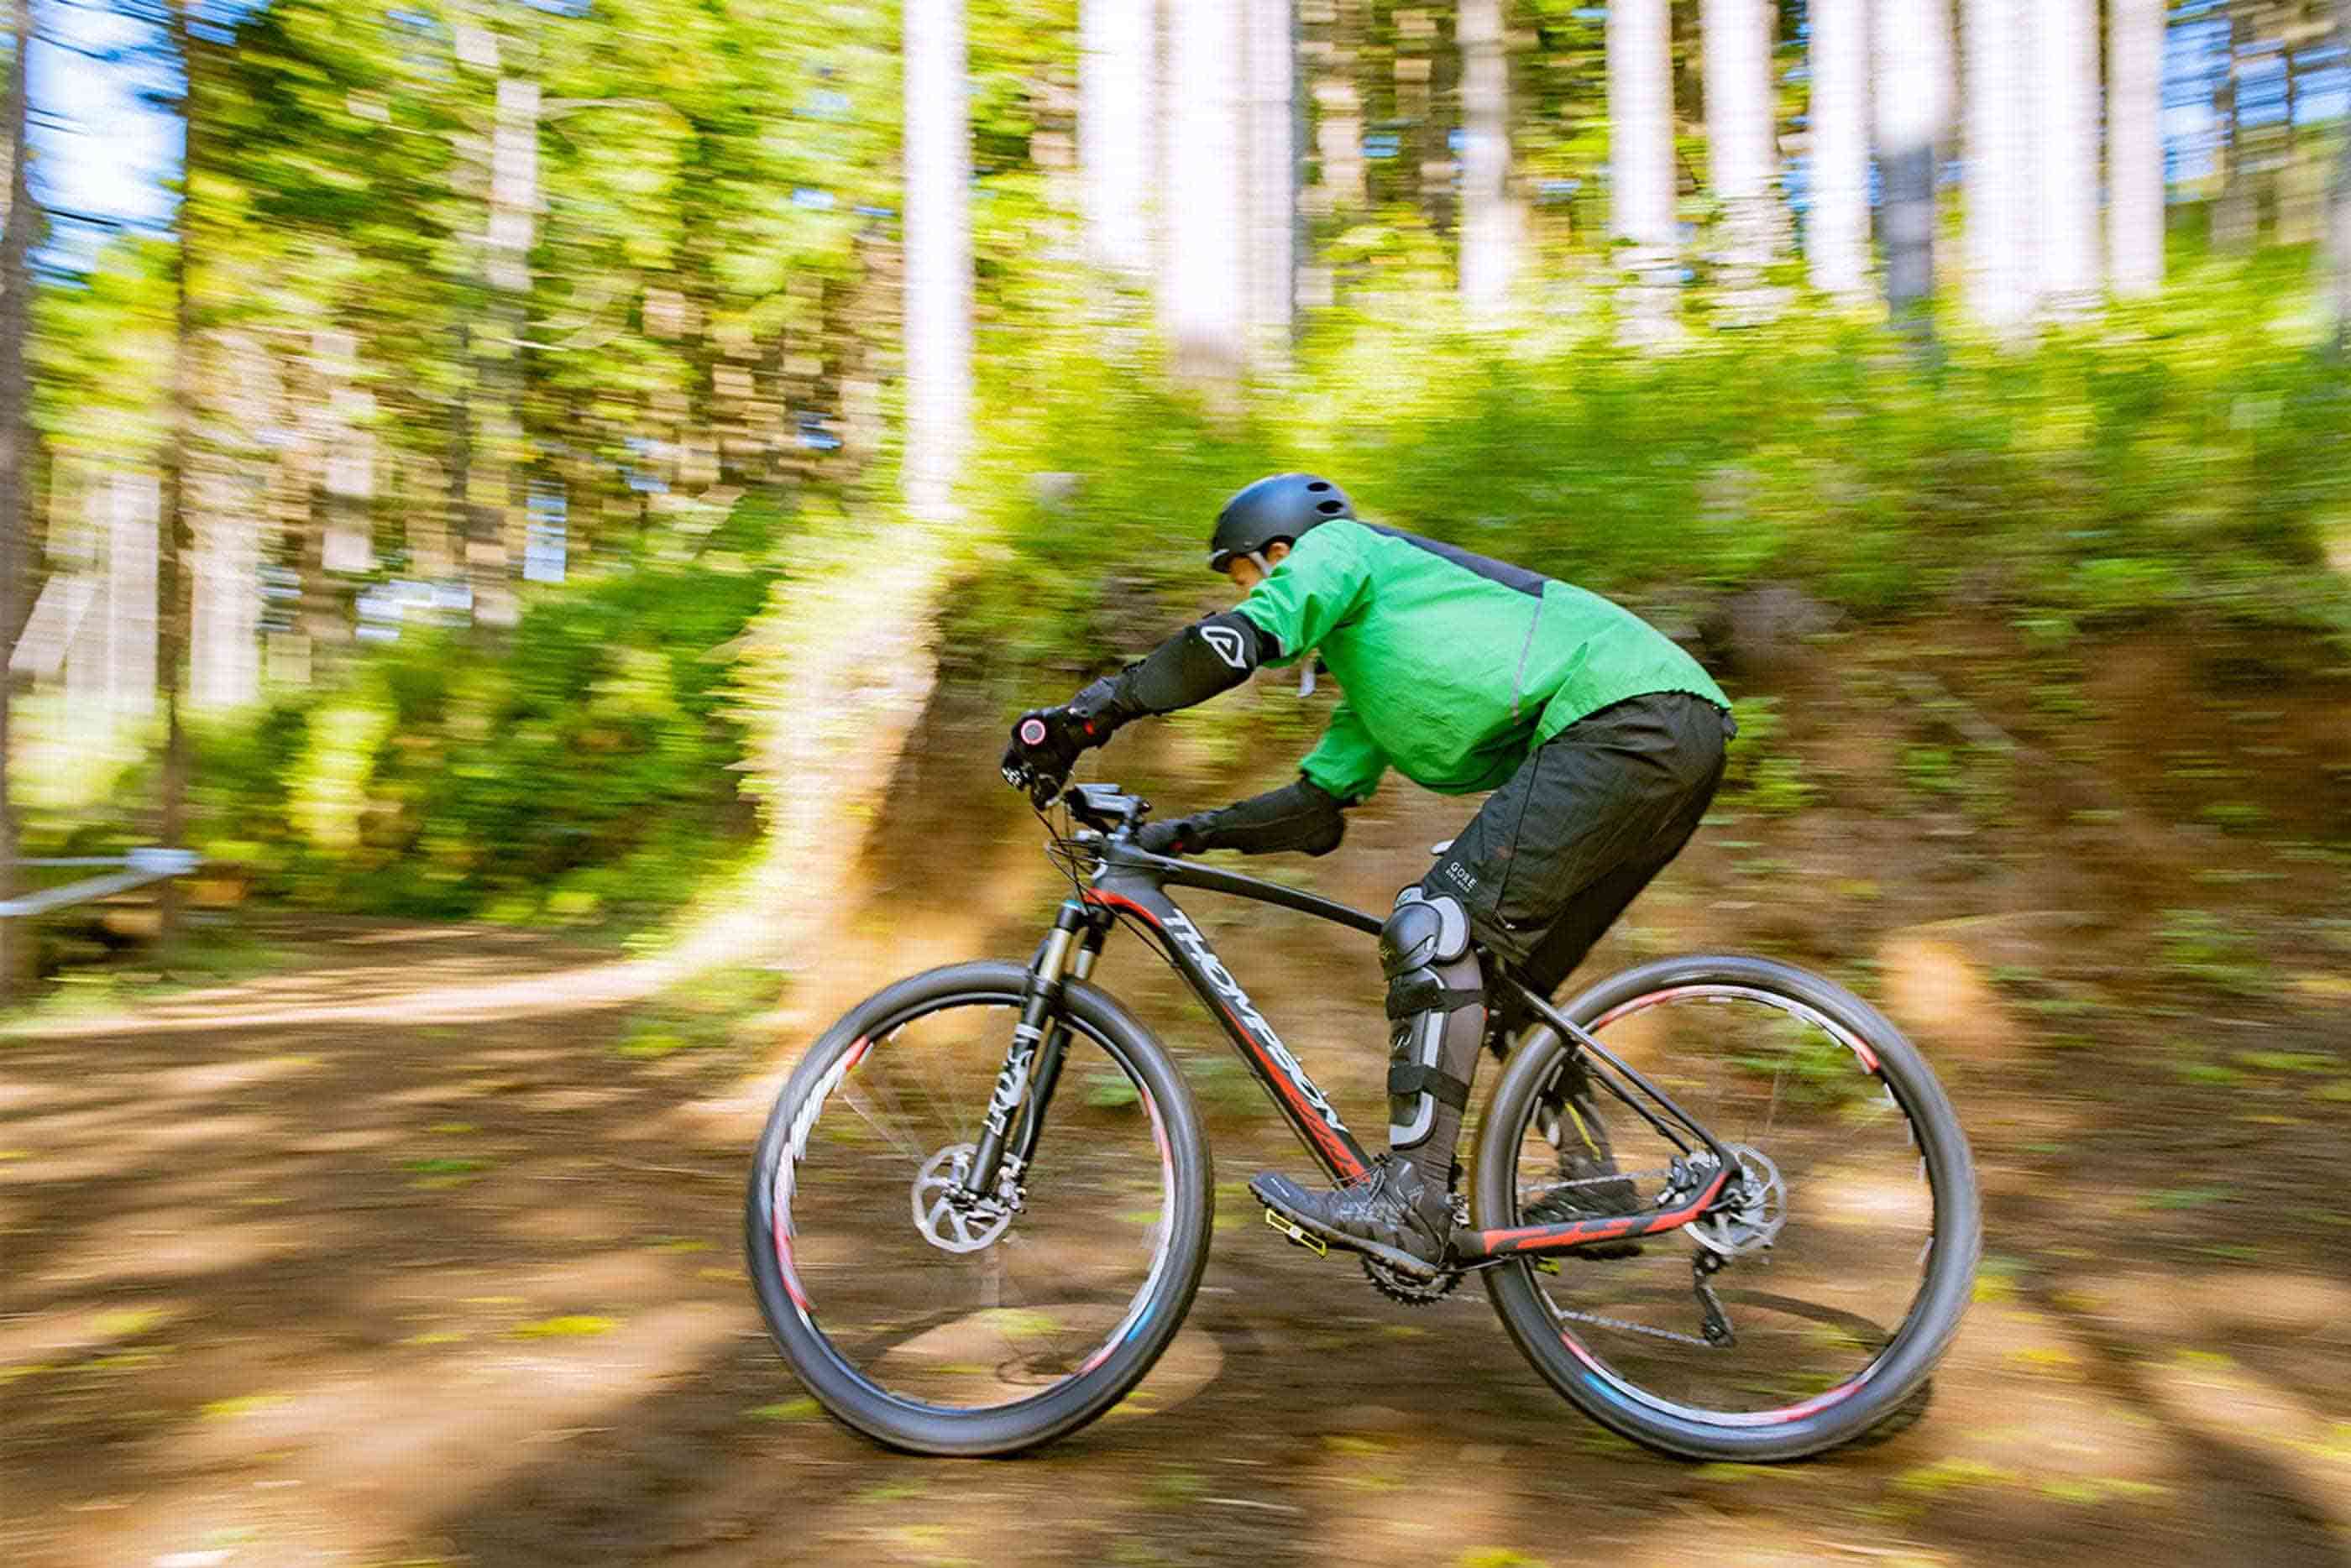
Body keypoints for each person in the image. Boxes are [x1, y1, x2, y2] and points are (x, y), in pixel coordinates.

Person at [1000, 473, 1734, 1279]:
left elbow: (1233, 645)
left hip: (1628, 720)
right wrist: (1181, 836)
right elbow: (1316, 810)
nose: (1252, 593)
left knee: (1431, 926)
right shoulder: (1377, 663)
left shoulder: (1341, 551)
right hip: (1668, 734)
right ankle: (1596, 1189)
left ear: (1280, 551)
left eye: (1248, 576)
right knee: (1494, 977)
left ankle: (1410, 1200)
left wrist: (1085, 717)